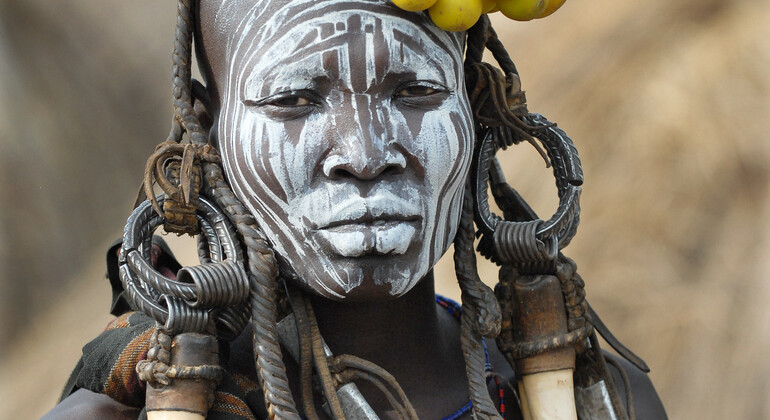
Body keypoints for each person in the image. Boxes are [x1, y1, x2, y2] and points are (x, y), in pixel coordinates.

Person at [44, 1, 667, 419]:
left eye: (415, 90)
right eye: (293, 100)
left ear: (476, 109)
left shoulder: (608, 402)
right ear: (207, 128)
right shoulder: (134, 410)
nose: (365, 155)